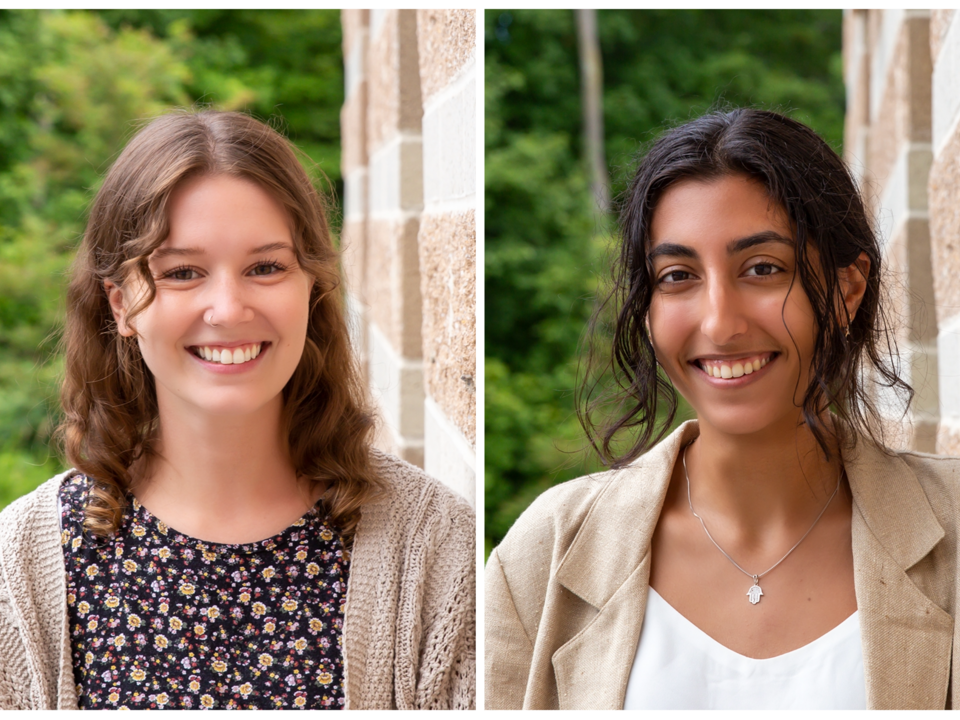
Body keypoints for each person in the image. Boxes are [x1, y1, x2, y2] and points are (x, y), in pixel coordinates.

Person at [484, 109, 960, 710]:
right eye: (678, 275)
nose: (719, 323)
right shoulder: (543, 553)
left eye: (763, 269)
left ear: (847, 291)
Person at [0, 110, 475, 710]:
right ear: (120, 305)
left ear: (313, 288)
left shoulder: (436, 547)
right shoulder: (20, 569)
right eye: (182, 272)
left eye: (266, 267)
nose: (227, 308)